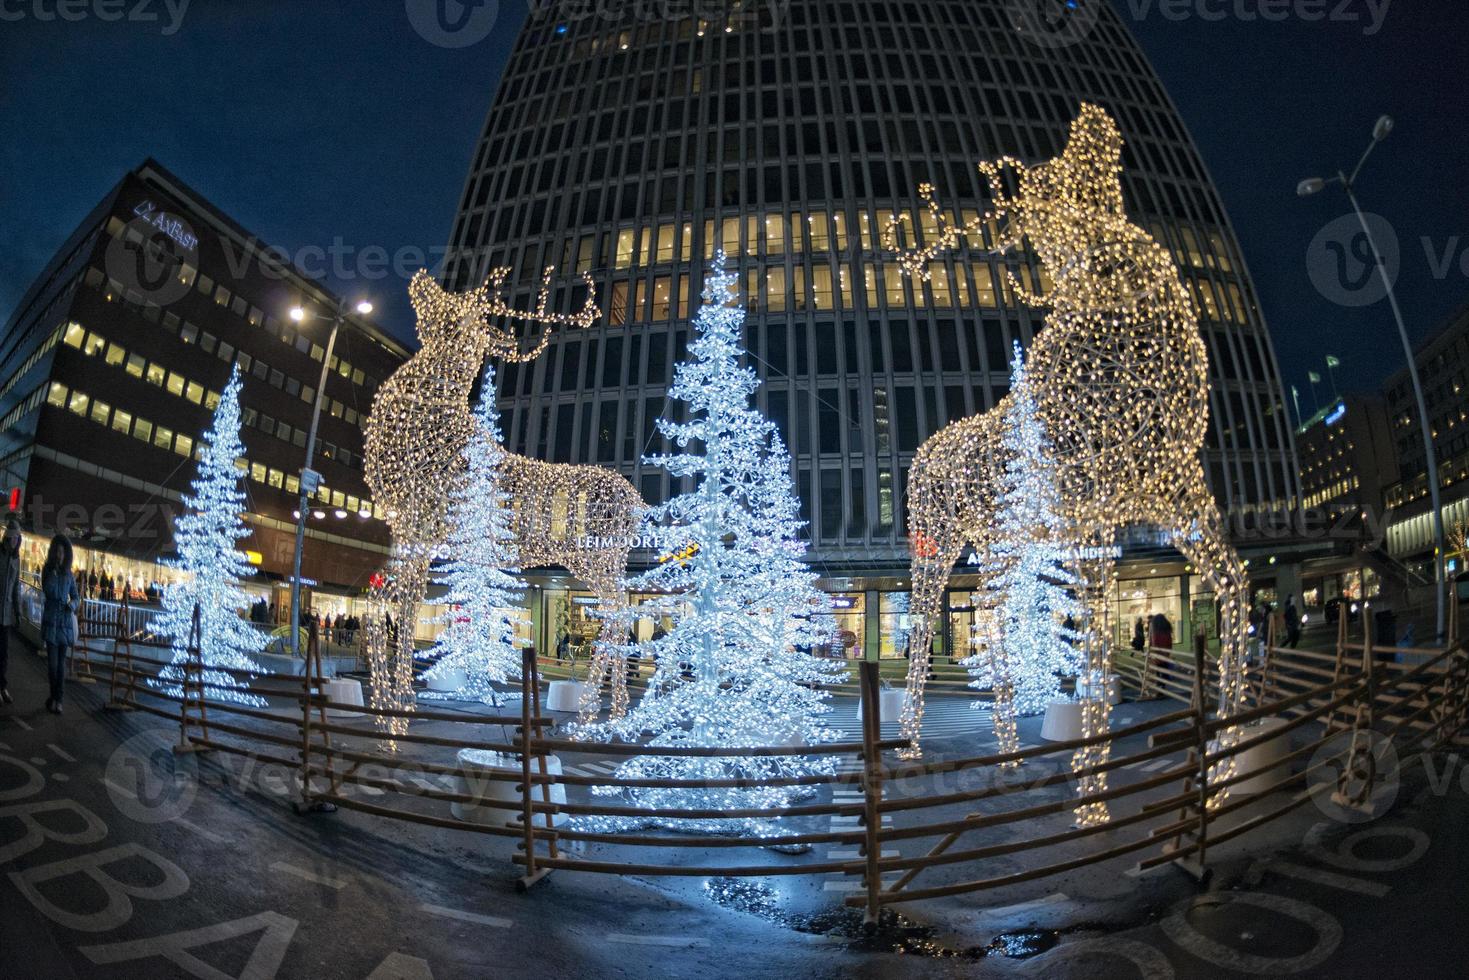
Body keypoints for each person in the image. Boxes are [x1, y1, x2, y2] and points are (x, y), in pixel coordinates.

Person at [41, 534, 79, 715]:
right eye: (57, 551)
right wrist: (54, 574)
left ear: (66, 554)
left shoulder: (69, 575)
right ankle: (53, 696)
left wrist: (72, 605)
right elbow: (47, 590)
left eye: (62, 552)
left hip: (64, 624)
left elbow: (77, 597)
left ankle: (58, 700)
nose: (59, 555)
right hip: (50, 623)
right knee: (52, 666)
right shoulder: (48, 570)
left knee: (61, 666)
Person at [0, 518, 21, 706]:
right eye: (11, 537)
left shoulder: (16, 559)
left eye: (16, 538)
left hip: (5, 615)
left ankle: (2, 687)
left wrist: (18, 611)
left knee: (4, 653)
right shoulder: (1, 555)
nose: (13, 541)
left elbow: (16, 588)